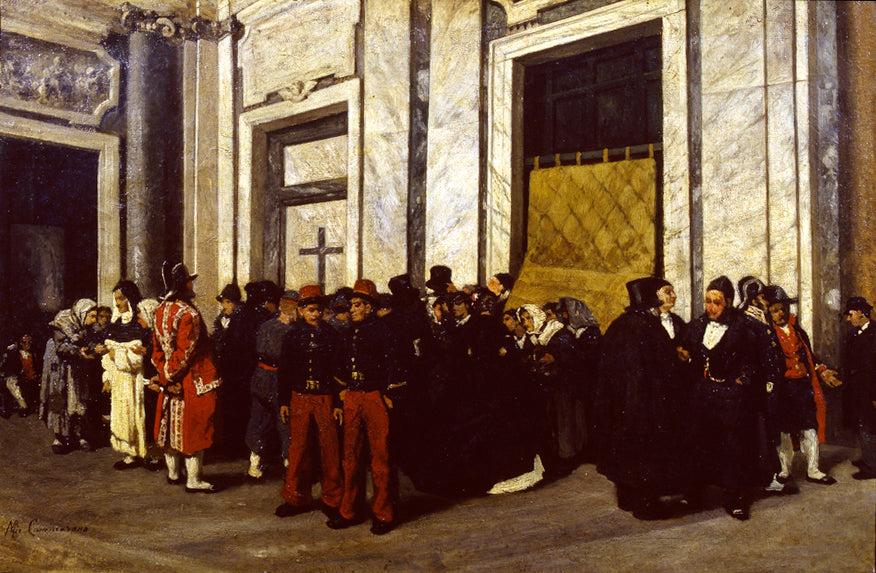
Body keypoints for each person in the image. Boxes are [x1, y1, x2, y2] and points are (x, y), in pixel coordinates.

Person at [594, 277, 690, 519]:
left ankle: (627, 499)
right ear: (651, 298)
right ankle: (646, 505)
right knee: (644, 452)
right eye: (665, 293)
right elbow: (659, 368)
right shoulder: (647, 326)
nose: (671, 297)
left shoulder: (621, 324)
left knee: (626, 452)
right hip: (644, 402)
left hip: (621, 403)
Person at [682, 276, 766, 520]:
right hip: (702, 394)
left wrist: (739, 384)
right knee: (697, 442)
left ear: (728, 302)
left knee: (733, 448)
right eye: (707, 301)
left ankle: (734, 499)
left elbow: (754, 363)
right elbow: (685, 348)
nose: (710, 307)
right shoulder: (698, 325)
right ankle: (694, 494)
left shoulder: (744, 327)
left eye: (716, 302)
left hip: (731, 397)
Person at [327, 279, 401, 535]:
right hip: (353, 398)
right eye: (352, 305)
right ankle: (348, 510)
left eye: (358, 305)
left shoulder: (383, 331)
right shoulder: (347, 333)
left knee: (380, 459)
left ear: (370, 307)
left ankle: (383, 513)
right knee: (350, 457)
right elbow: (338, 367)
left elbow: (394, 366)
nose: (353, 309)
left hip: (374, 398)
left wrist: (389, 393)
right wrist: (342, 391)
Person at [151, 262, 221, 493]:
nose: (193, 285)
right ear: (183, 285)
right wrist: (172, 378)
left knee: (169, 425)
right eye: (190, 281)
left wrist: (163, 375)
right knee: (195, 427)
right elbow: (185, 352)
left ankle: (173, 474)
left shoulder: (159, 310)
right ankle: (193, 480)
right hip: (193, 379)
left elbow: (157, 351)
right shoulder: (188, 313)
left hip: (169, 377)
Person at [275, 285, 343, 519]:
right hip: (300, 398)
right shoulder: (292, 335)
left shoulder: (332, 335)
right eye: (311, 310)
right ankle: (296, 498)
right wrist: (284, 400)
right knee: (298, 449)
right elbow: (284, 370)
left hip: (325, 398)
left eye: (319, 310)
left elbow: (338, 371)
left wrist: (336, 403)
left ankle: (332, 499)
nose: (315, 314)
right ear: (301, 311)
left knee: (330, 450)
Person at [763, 285, 840, 486]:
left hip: (802, 386)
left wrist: (822, 370)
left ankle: (813, 469)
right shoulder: (767, 335)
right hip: (783, 389)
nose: (780, 313)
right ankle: (784, 470)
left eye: (783, 308)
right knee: (784, 430)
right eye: (775, 310)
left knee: (809, 427)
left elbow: (810, 357)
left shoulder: (799, 331)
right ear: (769, 313)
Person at [101, 280, 159, 470]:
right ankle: (130, 454)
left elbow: (149, 350)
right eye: (115, 299)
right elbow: (108, 352)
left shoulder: (141, 323)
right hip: (121, 379)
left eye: (121, 298)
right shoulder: (115, 324)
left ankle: (149, 455)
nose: (117, 303)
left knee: (142, 414)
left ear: (130, 299)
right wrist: (108, 375)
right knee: (123, 415)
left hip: (139, 378)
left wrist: (124, 352)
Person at [245, 287, 296, 480]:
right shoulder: (290, 331)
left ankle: (255, 465)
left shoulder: (266, 326)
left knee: (259, 421)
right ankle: (289, 466)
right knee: (285, 423)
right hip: (277, 380)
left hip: (260, 377)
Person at [40, 299, 97, 454]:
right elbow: (61, 347)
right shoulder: (62, 321)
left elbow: (90, 342)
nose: (93, 320)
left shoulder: (88, 327)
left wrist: (93, 349)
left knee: (78, 399)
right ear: (82, 313)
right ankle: (58, 437)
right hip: (60, 366)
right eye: (91, 316)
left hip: (77, 366)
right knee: (59, 400)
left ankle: (80, 436)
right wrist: (78, 352)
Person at [840, 296, 876, 480]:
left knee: (869, 427)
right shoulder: (854, 334)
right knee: (861, 425)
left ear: (861, 313)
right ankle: (868, 458)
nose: (848, 319)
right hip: (857, 391)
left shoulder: (875, 333)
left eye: (850, 314)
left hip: (870, 392)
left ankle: (872, 467)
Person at [1, 333, 38, 418]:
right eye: (24, 343)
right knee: (11, 383)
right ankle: (22, 406)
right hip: (17, 377)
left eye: (29, 342)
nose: (27, 345)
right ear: (20, 343)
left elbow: (36, 367)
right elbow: (8, 368)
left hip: (31, 377)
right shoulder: (13, 353)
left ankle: (27, 407)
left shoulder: (34, 353)